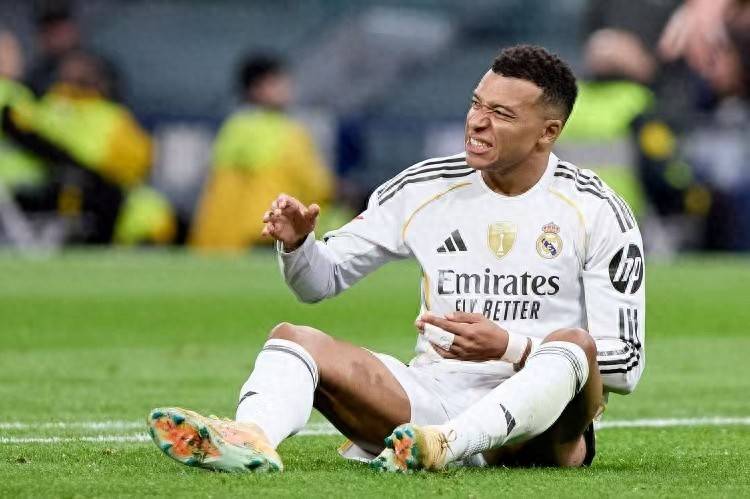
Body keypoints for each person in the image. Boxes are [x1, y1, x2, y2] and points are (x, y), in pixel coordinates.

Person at [147, 45, 645, 473]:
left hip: (541, 429)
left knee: (574, 345)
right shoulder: (423, 188)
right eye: (476, 103)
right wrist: (299, 246)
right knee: (292, 339)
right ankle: (251, 437)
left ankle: (449, 445)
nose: (477, 121)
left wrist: (510, 346)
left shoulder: (597, 209)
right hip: (434, 396)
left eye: (502, 113)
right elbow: (320, 281)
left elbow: (625, 362)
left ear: (547, 133)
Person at [189, 54, 333, 252]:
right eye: (276, 82)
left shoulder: (233, 127)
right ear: (256, 89)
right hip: (268, 234)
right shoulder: (288, 131)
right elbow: (317, 186)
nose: (285, 88)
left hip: (230, 239)